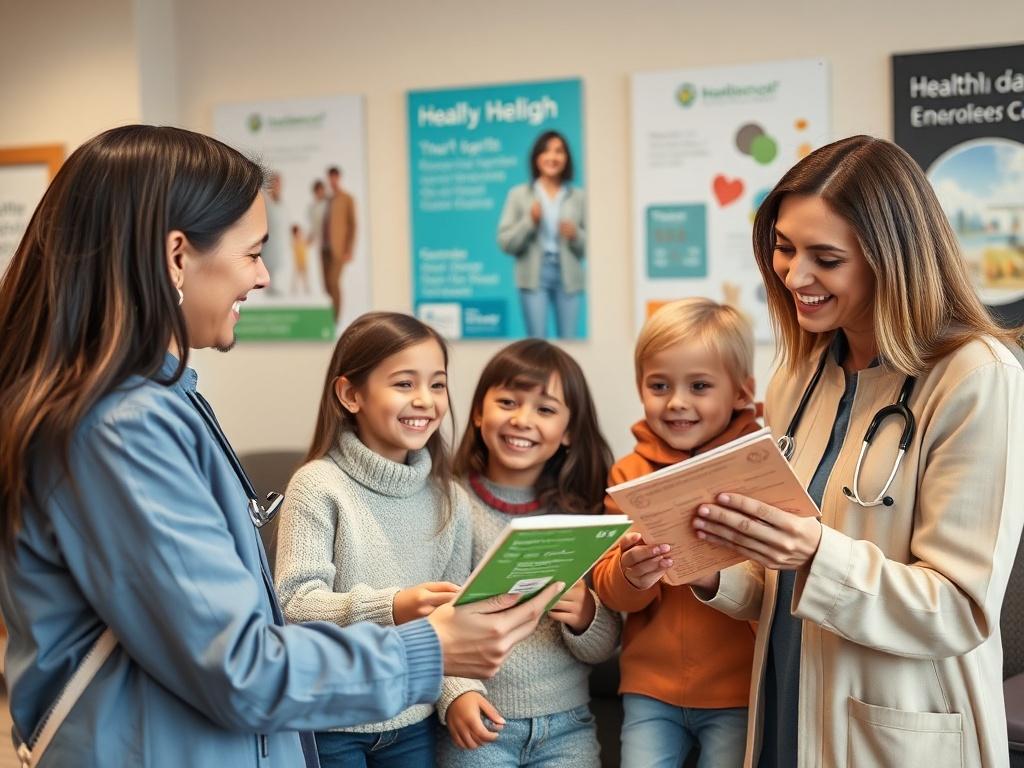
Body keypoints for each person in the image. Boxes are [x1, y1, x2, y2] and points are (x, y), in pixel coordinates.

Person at [0, 125, 562, 768]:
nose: (265, 276)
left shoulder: (156, 403)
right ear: (176, 257)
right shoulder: (119, 429)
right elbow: (243, 670)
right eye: (252, 253)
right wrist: (431, 647)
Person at [682, 136, 1024, 768]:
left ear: (891, 262)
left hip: (898, 726)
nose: (794, 276)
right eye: (785, 247)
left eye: (826, 258)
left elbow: (957, 610)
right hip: (791, 702)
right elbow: (782, 583)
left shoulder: (977, 379)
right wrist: (709, 570)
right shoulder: (802, 373)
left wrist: (815, 552)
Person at [274, 311, 483, 767]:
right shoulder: (317, 486)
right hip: (329, 721)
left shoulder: (451, 500)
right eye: (404, 384)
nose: (425, 401)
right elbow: (293, 606)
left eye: (438, 384)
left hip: (414, 721)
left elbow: (455, 619)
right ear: (351, 394)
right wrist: (394, 605)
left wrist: (459, 692)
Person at [592, 298, 759, 768]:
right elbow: (613, 595)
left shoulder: (757, 470)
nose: (677, 402)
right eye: (659, 385)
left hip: (738, 687)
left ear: (742, 392)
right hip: (650, 688)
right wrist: (630, 573)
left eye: (700, 385)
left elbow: (775, 581)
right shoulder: (628, 474)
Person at [441, 339, 619, 767]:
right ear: (480, 412)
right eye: (507, 402)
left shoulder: (584, 516)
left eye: (545, 409)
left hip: (567, 726)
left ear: (569, 431)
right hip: (478, 721)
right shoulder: (449, 502)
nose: (522, 420)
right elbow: (433, 620)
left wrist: (585, 614)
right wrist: (455, 694)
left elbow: (603, 649)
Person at [497, 131, 586, 339]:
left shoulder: (578, 197)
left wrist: (575, 235)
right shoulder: (518, 195)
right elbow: (505, 242)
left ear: (566, 158)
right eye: (546, 151)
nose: (552, 157)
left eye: (559, 151)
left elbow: (592, 247)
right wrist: (530, 222)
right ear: (536, 157)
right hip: (534, 276)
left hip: (569, 276)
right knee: (536, 344)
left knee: (570, 341)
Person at [324, 166, 356, 324]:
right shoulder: (327, 199)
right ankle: (332, 314)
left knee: (333, 282)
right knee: (326, 285)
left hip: (339, 249)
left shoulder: (347, 198)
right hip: (325, 248)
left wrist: (349, 249)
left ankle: (336, 320)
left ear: (339, 178)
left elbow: (353, 225)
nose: (333, 180)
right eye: (330, 177)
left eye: (335, 177)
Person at [291, 223, 310, 296]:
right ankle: (294, 289)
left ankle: (306, 288)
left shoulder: (302, 240)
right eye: (299, 231)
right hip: (298, 263)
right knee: (297, 276)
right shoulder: (295, 241)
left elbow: (307, 244)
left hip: (304, 261)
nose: (300, 233)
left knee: (305, 276)